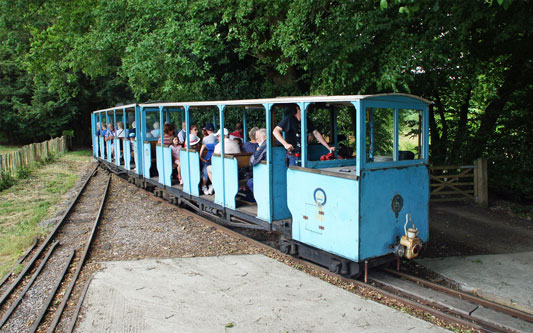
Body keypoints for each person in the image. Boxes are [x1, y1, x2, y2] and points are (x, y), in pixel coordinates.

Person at [205, 128, 241, 194]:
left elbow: (214, 161)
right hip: (237, 170)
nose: (217, 138)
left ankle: (218, 188)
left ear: (222, 136)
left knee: (208, 168)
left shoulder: (219, 146)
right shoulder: (235, 144)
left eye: (218, 136)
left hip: (225, 170)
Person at [246, 128, 267, 193]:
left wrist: (257, 151)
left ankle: (261, 199)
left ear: (265, 137)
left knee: (250, 182)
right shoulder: (275, 143)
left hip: (266, 174)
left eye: (257, 138)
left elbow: (252, 162)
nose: (256, 141)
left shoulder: (264, 145)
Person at [199, 124, 217, 194]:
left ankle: (204, 185)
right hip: (215, 159)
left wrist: (200, 157)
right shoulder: (217, 138)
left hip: (209, 159)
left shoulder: (206, 139)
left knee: (205, 169)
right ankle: (211, 185)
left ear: (207, 130)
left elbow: (203, 146)